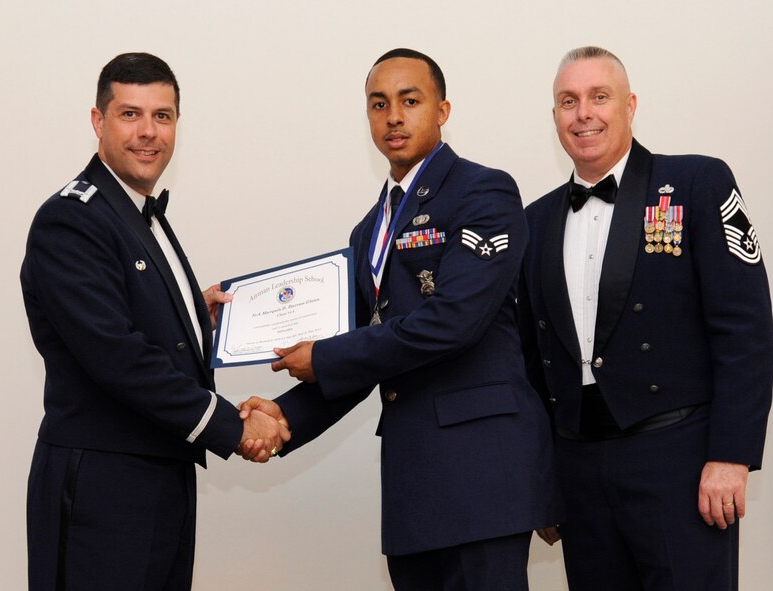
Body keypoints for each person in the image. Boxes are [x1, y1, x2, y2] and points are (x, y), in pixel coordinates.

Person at [240, 48, 561, 590]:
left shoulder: (484, 191)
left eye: (410, 101)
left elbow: (453, 321)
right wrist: (283, 417)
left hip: (483, 478)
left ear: (442, 110)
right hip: (414, 488)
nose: (393, 116)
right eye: (378, 104)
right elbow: (363, 351)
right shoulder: (369, 231)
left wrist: (325, 356)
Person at [20, 52, 289, 591]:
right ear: (98, 122)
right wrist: (233, 428)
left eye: (162, 116)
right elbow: (118, 356)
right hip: (102, 487)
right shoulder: (71, 219)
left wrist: (194, 315)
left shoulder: (136, 212)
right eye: (130, 114)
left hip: (159, 476)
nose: (148, 132)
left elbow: (132, 317)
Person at [518, 46, 773, 589]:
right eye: (568, 101)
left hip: (679, 461)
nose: (583, 113)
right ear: (555, 117)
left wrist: (731, 456)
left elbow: (744, 331)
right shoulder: (535, 221)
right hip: (579, 471)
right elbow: (528, 366)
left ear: (630, 105)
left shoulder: (697, 184)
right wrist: (542, 480)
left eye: (598, 96)